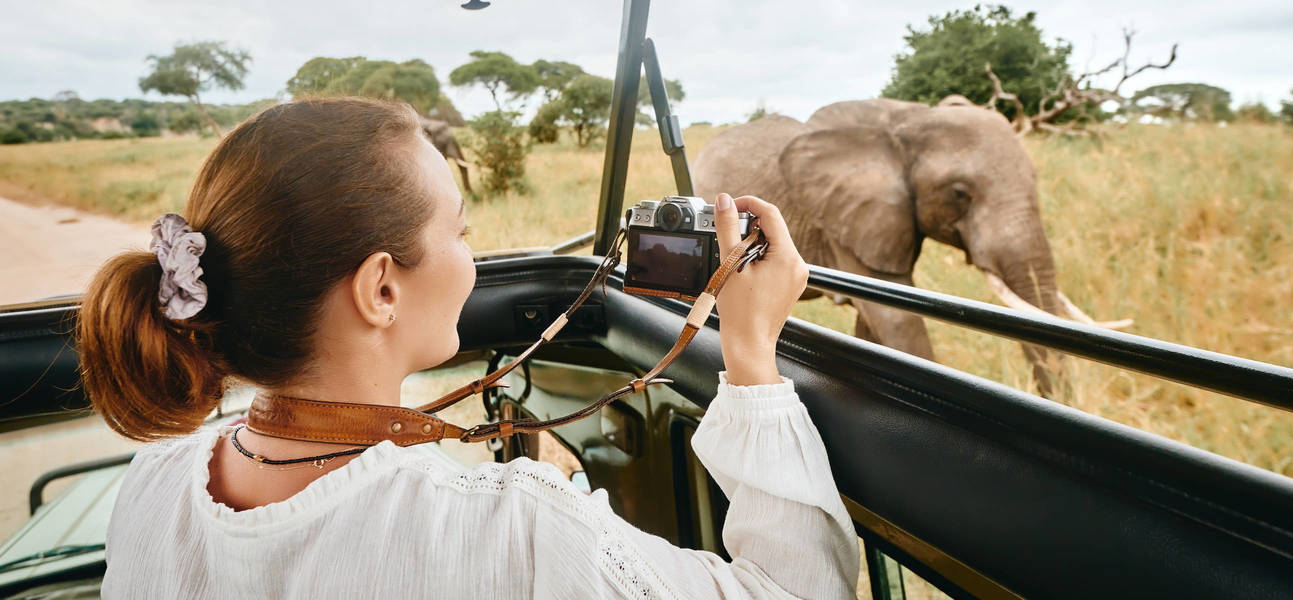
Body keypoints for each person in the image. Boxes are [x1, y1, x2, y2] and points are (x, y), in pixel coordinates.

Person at [79, 97, 859, 598]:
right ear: (381, 289)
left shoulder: (153, 490)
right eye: (458, 230)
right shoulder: (509, 530)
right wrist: (751, 353)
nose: (471, 256)